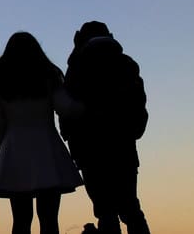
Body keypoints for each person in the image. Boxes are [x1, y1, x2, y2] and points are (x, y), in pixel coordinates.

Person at [0, 32, 83, 234]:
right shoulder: (48, 76)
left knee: (20, 220)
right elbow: (66, 108)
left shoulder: (0, 80)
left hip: (14, 153)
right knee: (49, 219)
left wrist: (5, 144)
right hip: (48, 151)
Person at [61, 21, 151, 234]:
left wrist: (71, 140)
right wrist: (133, 131)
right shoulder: (126, 64)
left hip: (89, 148)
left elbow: (67, 109)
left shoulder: (77, 67)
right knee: (131, 207)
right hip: (123, 145)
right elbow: (139, 103)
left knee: (105, 210)